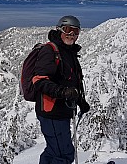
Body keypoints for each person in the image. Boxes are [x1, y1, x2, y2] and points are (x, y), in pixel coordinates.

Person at [32, 15, 90, 164]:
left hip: (62, 111)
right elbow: (39, 81)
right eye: (68, 30)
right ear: (59, 30)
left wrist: (80, 101)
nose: (72, 34)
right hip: (51, 112)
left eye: (76, 31)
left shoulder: (69, 52)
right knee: (63, 154)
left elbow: (70, 82)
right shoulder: (50, 51)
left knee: (53, 152)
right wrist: (63, 92)